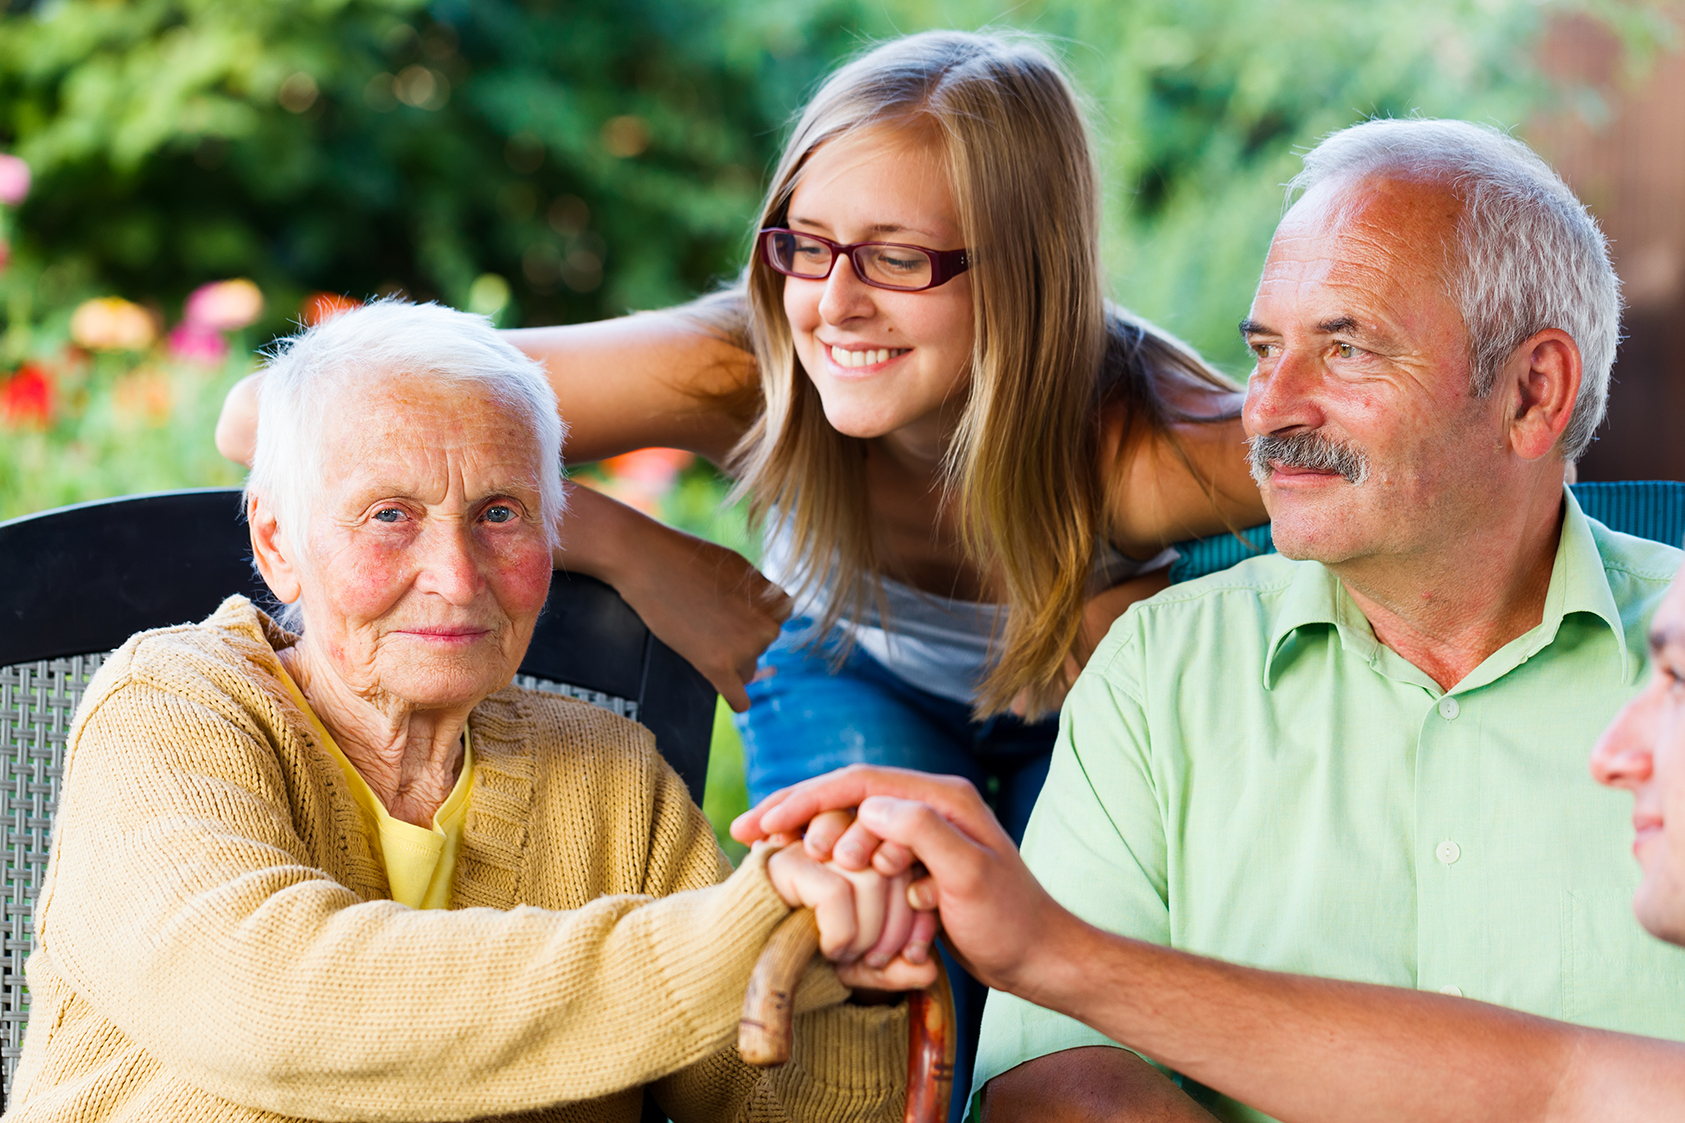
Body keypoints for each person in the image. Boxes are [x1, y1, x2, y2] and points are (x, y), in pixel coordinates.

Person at [213, 32, 1265, 1114]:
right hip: (849, 663)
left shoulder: (1148, 448)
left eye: (898, 256)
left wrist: (1167, 609)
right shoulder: (745, 367)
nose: (835, 304)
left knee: (1063, 1022)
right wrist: (639, 548)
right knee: (876, 978)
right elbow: (268, 415)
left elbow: (1384, 476)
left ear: (1027, 272)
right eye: (807, 245)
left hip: (1084, 695)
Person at [750, 116, 1685, 1122]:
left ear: (1531, 390)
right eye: (1263, 350)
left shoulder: (1668, 663)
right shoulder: (1158, 664)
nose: (1267, 405)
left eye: (1345, 347)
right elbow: (1049, 1075)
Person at [10, 300, 935, 1123]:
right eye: (387, 515)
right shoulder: (170, 709)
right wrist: (734, 935)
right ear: (278, 543)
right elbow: (263, 1003)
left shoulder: (614, 776)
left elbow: (763, 1100)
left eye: (500, 513)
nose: (455, 578)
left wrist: (840, 974)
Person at [725, 577, 1685, 1122]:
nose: (1609, 749)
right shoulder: (1161, 659)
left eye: (1675, 682)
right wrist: (1049, 952)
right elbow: (1559, 1084)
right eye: (1262, 350)